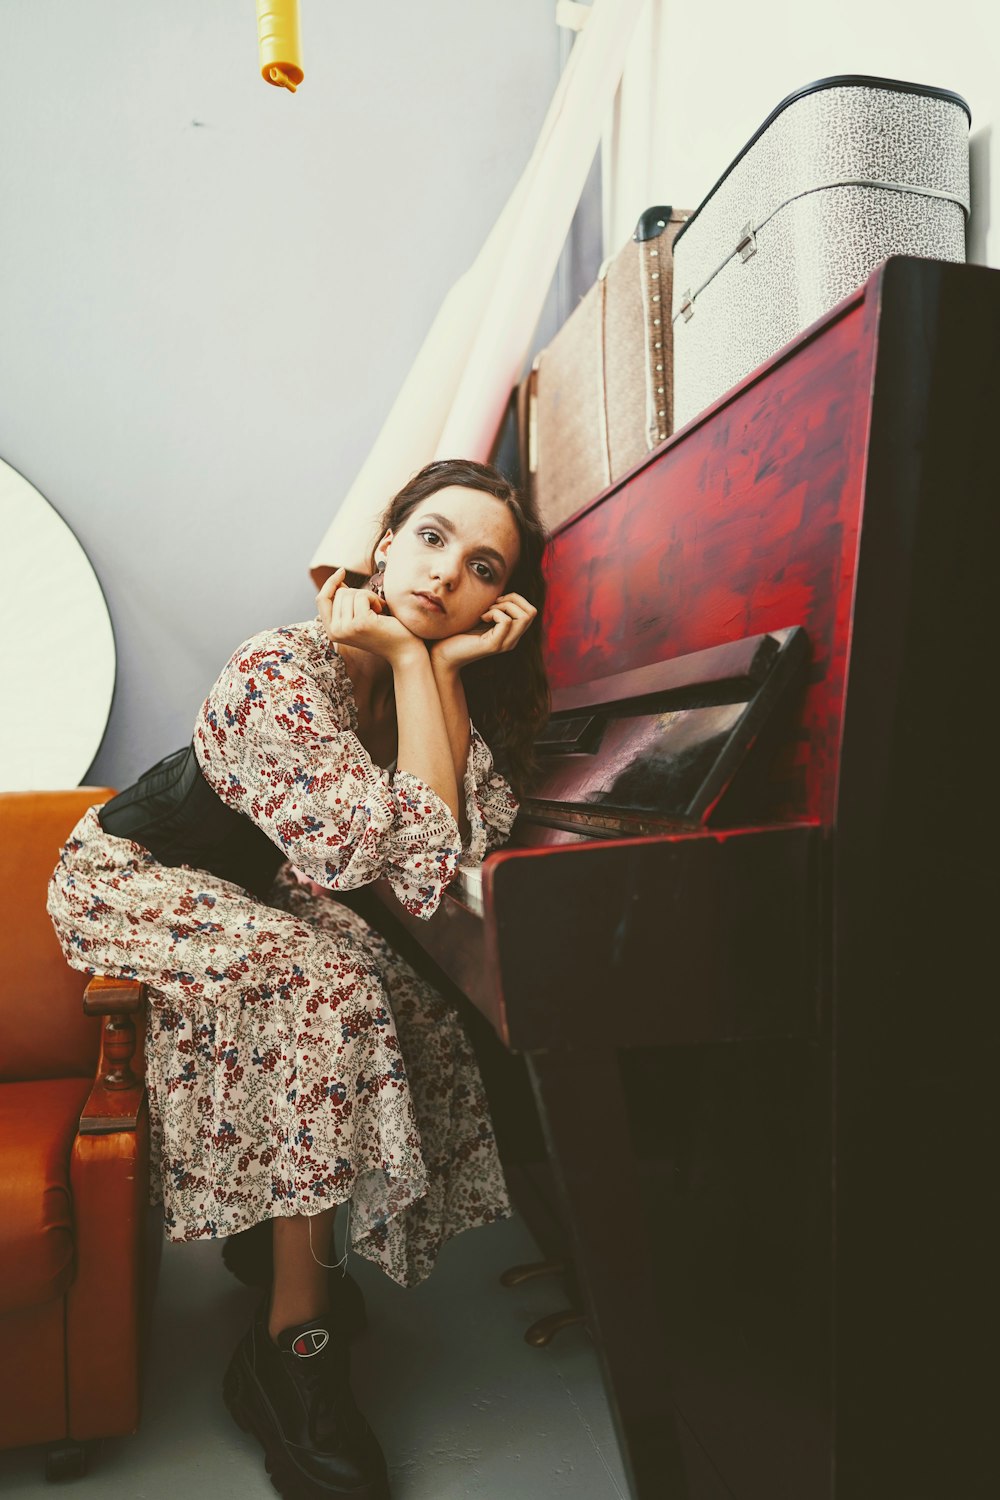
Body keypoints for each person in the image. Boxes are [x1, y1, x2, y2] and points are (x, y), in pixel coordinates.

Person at [47, 458, 549, 1500]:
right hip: (128, 879)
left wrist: (433, 674)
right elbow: (378, 859)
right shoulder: (279, 667)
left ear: (496, 601)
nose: (447, 572)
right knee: (326, 984)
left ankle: (279, 1242)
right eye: (431, 538)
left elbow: (452, 851)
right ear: (381, 547)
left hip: (256, 888)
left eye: (481, 565)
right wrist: (420, 673)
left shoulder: (412, 676)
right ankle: (292, 1346)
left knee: (400, 993)